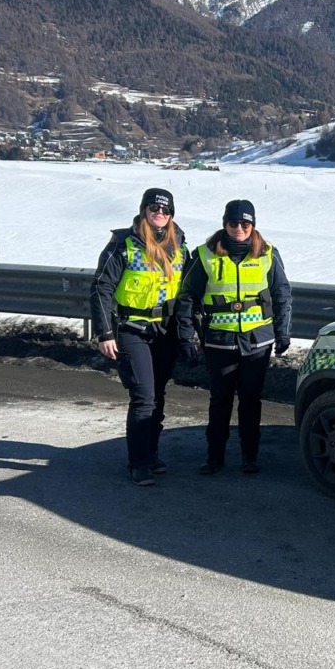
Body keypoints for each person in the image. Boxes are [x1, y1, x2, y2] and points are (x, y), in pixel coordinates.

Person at [176, 198, 292, 475]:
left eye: (246, 223)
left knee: (251, 399)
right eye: (233, 223)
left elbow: (282, 294)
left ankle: (249, 456)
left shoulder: (267, 254)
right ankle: (214, 457)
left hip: (257, 341)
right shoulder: (205, 254)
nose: (239, 228)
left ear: (253, 225)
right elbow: (187, 297)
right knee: (220, 399)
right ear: (224, 223)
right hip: (220, 341)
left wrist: (283, 332)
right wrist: (185, 335)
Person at [90, 187, 196, 486]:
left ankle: (151, 454)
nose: (159, 214)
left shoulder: (181, 246)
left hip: (166, 330)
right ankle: (137, 462)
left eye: (165, 210)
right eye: (154, 208)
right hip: (132, 328)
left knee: (158, 395)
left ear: (171, 214)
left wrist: (187, 332)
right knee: (144, 397)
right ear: (144, 209)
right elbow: (101, 288)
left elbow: (187, 293)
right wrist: (104, 333)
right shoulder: (124, 244)